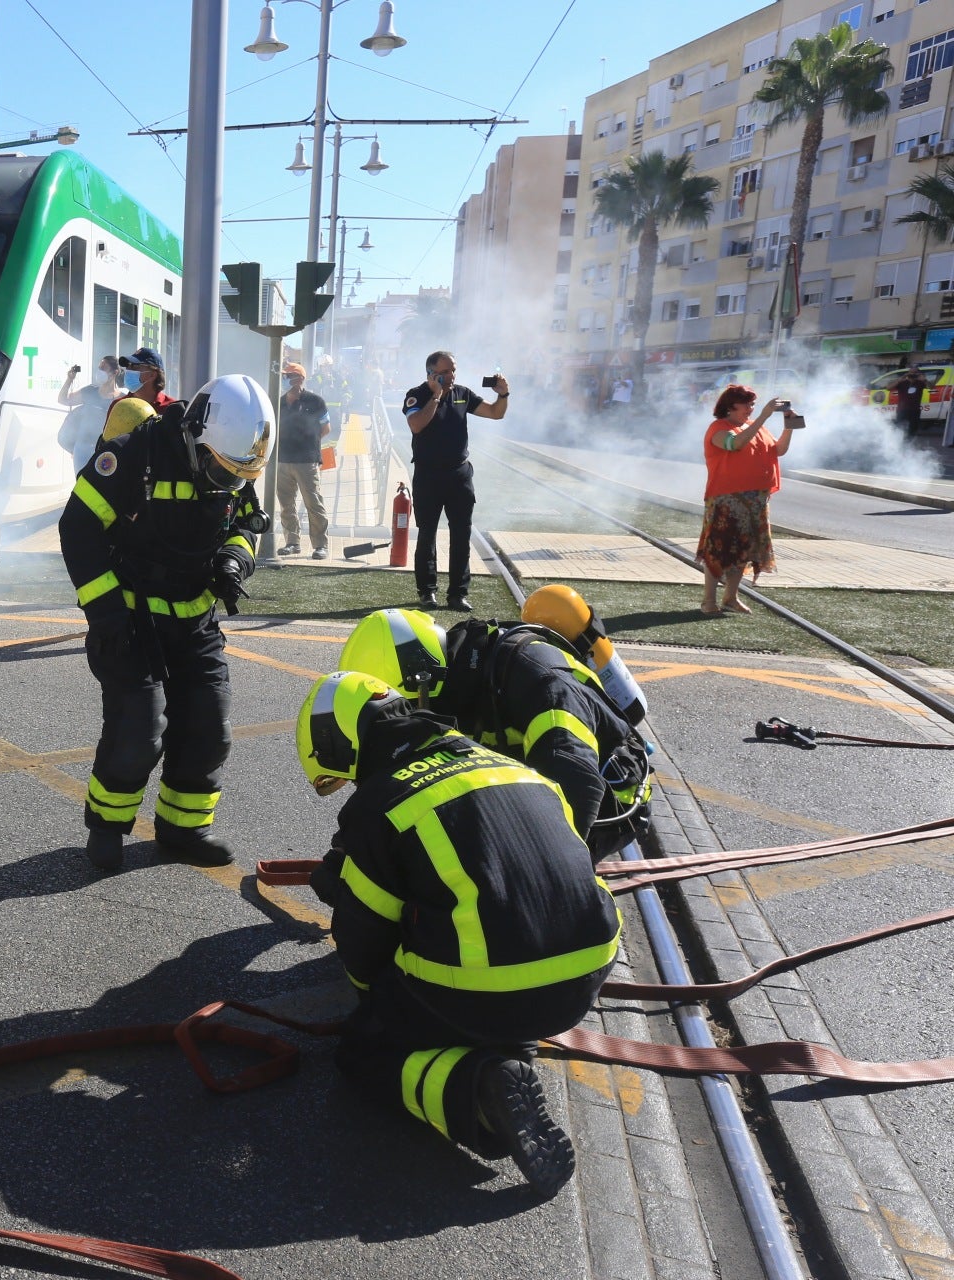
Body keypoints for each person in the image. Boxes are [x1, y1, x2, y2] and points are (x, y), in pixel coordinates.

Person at [296, 670, 622, 1197]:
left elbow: (362, 936)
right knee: (482, 965)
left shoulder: (382, 800)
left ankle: (477, 1094)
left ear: (344, 740)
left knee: (362, 1053)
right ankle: (505, 1037)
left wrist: (376, 1006)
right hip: (589, 972)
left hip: (489, 990)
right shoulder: (511, 766)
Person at [59, 375, 273, 872]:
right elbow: (78, 526)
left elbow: (246, 523)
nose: (228, 483)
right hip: (131, 620)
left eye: (236, 477)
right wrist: (105, 612)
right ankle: (107, 829)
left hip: (195, 619)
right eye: (220, 473)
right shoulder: (136, 454)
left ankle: (182, 830)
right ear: (196, 435)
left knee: (208, 727)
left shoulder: (233, 459)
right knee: (139, 730)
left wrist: (235, 561)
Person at [339, 606, 650, 858]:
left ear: (421, 679)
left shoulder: (542, 685)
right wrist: (363, 836)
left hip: (609, 800)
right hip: (536, 776)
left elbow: (577, 783)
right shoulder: (458, 672)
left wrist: (544, 876)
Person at [402, 351, 508, 611]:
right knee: (427, 535)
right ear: (431, 373)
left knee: (461, 534)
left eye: (453, 370)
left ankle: (458, 594)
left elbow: (495, 413)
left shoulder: (463, 393)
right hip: (428, 475)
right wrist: (436, 395)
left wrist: (503, 395)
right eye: (446, 371)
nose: (451, 376)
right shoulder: (416, 394)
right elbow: (416, 425)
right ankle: (427, 592)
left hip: (459, 475)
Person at [698, 384, 795, 615]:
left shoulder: (754, 427)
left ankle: (730, 598)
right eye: (747, 404)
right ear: (731, 406)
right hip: (726, 499)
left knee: (744, 550)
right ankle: (708, 602)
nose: (751, 408)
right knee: (718, 550)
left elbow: (778, 450)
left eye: (753, 404)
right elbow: (735, 444)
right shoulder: (719, 428)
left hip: (755, 499)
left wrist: (789, 425)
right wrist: (764, 415)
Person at [276, 362, 330, 558]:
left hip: (307, 461)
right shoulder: (278, 401)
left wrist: (308, 445)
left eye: (288, 376)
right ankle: (292, 542)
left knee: (313, 502)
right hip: (282, 461)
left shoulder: (315, 401)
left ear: (299, 379)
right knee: (286, 504)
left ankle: (320, 545)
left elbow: (326, 428)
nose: (284, 380)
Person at [100, 346, 177, 442]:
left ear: (152, 374)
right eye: (127, 366)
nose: (128, 370)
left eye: (134, 366)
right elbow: (106, 447)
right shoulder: (118, 405)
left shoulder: (171, 408)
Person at [56, 356, 119, 456]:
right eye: (99, 368)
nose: (99, 371)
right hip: (84, 451)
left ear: (115, 373)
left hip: (107, 454)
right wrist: (69, 379)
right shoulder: (90, 391)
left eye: (103, 368)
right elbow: (63, 400)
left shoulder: (120, 399)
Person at [892, 367, 927, 435]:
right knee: (899, 428)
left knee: (913, 429)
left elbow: (931, 387)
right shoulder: (902, 382)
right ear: (908, 373)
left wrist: (924, 380)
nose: (913, 374)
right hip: (902, 409)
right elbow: (888, 388)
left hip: (915, 410)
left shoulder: (921, 383)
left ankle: (910, 444)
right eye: (911, 372)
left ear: (918, 373)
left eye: (915, 372)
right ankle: (899, 443)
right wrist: (899, 380)